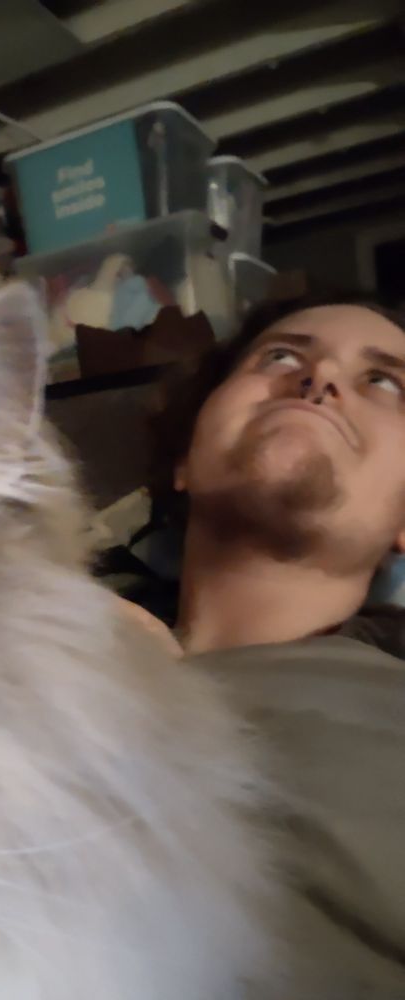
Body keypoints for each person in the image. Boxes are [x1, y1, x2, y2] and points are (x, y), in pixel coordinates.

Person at [128, 294, 405, 989]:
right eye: (281, 355)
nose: (319, 382)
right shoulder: (45, 617)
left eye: (385, 382)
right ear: (185, 458)